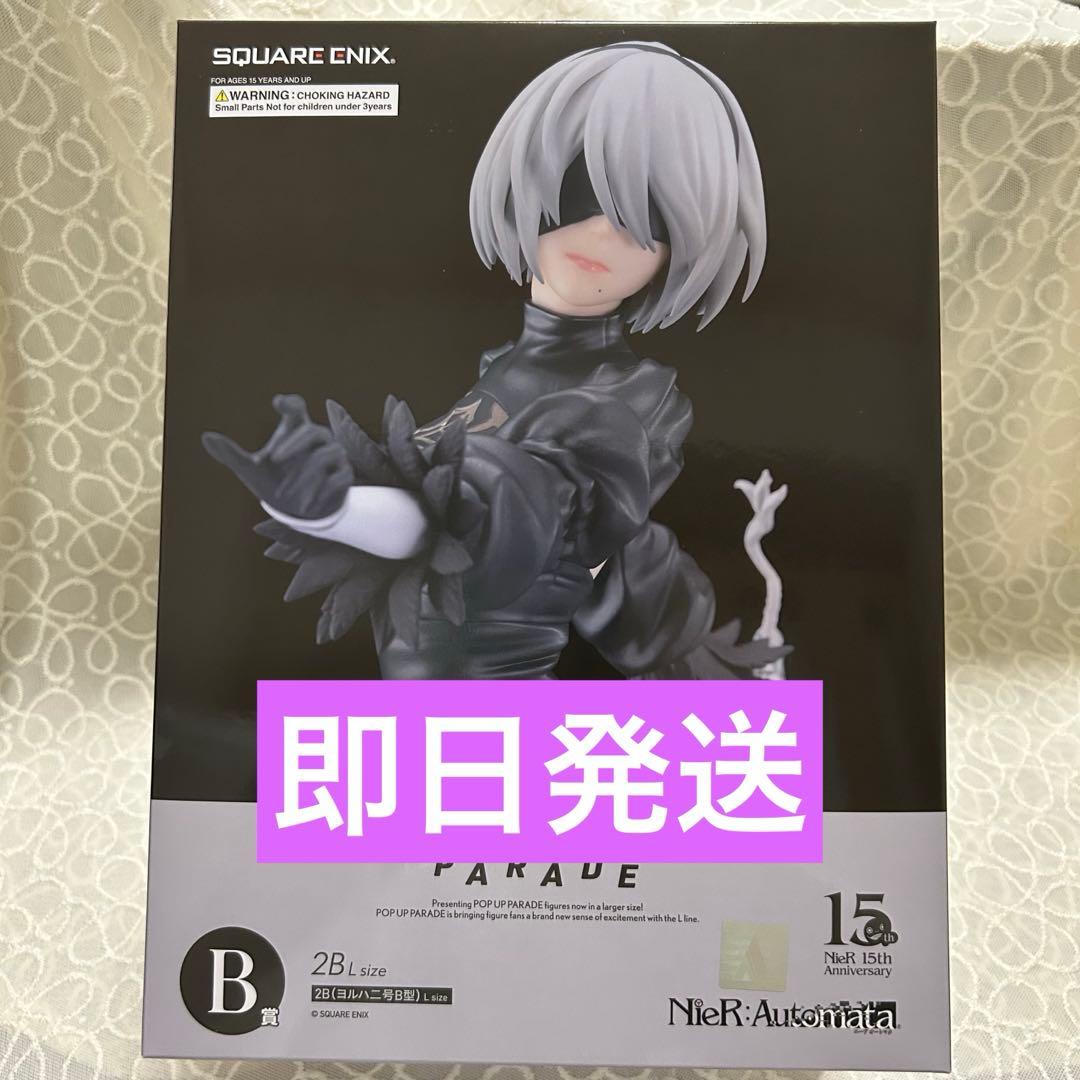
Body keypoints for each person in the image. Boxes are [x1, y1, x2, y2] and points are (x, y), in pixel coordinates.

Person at [203, 41, 790, 680]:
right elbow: (613, 565)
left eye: (651, 216)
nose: (605, 230)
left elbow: (503, 509)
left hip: (492, 710)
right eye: (580, 185)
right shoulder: (500, 375)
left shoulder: (624, 403)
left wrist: (340, 508)